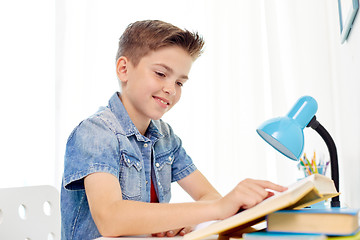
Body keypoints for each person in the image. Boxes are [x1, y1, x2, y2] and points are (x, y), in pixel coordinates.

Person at [60, 20, 287, 240]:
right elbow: (110, 218)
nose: (171, 89)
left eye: (180, 83)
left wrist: (189, 219)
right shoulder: (96, 132)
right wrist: (215, 208)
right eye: (160, 74)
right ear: (124, 69)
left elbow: (208, 196)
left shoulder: (165, 137)